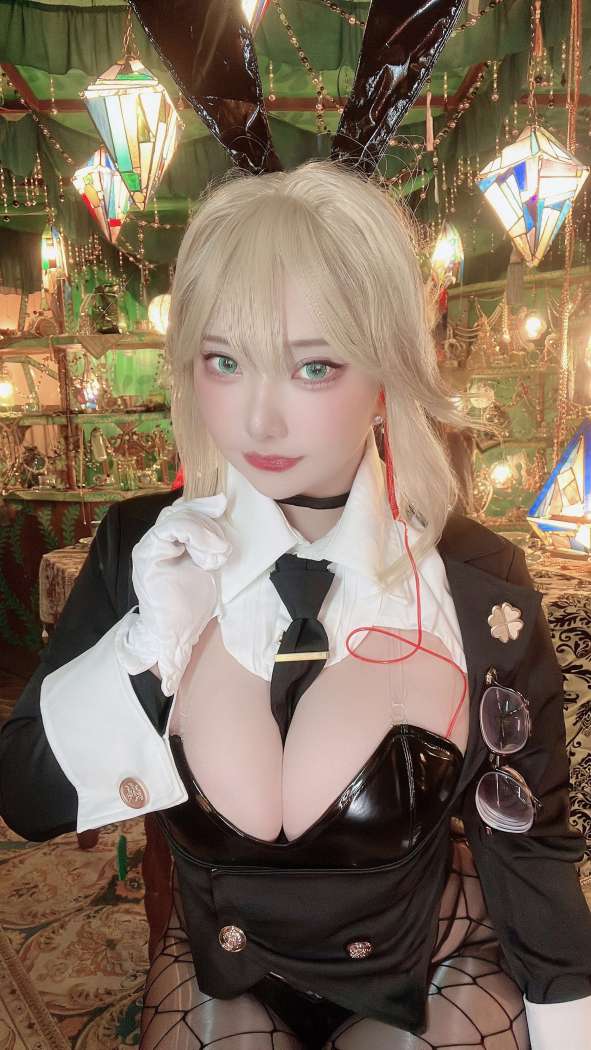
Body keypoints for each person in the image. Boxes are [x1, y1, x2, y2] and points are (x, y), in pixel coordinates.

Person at [1, 161, 590, 1050]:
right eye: (224, 362)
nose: (259, 420)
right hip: (227, 970)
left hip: (432, 961)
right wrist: (149, 643)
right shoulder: (143, 549)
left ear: (386, 368)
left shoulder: (472, 577)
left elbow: (526, 837)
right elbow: (29, 798)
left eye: (313, 366)